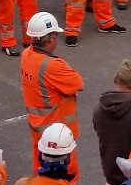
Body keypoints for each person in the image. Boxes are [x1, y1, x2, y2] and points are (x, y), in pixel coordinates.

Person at [20, 13, 85, 167]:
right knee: (66, 173)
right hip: (57, 132)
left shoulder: (26, 55)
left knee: (40, 167)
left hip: (37, 126)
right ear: (51, 39)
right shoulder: (53, 66)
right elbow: (79, 84)